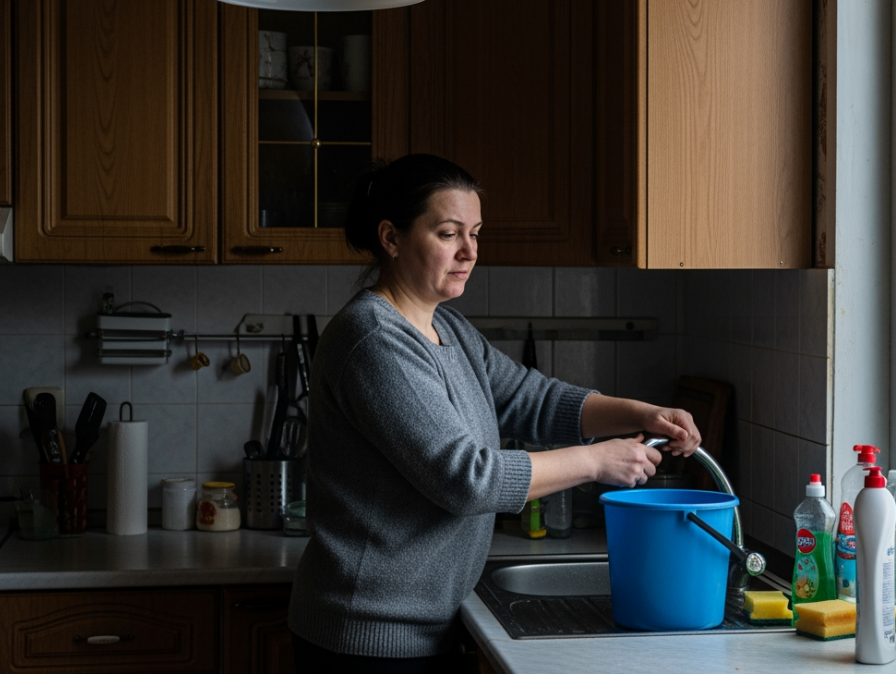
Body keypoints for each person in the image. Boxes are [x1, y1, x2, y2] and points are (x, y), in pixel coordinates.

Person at [287, 154, 703, 672]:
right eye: (448, 234)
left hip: (425, 624)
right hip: (367, 637)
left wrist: (643, 412)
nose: (469, 252)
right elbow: (466, 479)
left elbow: (533, 399)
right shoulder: (374, 340)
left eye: (476, 234)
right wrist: (598, 463)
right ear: (391, 238)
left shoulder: (450, 330)